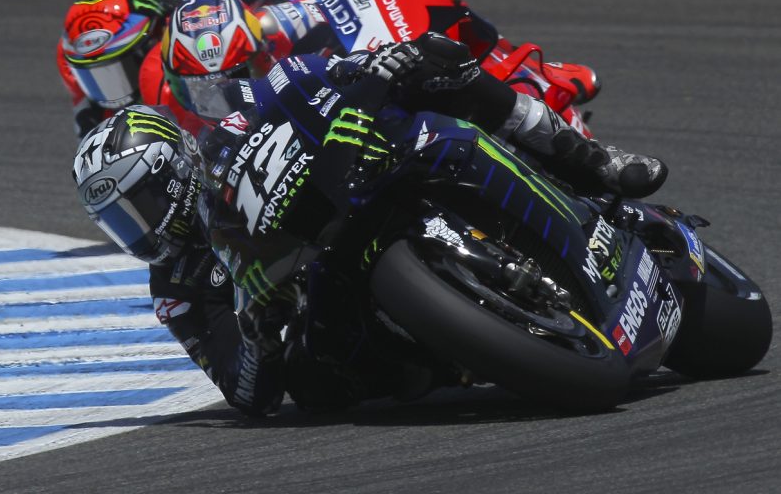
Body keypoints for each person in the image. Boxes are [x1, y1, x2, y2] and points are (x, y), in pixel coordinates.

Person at [72, 33, 666, 415]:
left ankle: (593, 162)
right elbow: (246, 394)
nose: (139, 230)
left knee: (436, 70)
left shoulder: (231, 138)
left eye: (140, 206)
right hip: (338, 321)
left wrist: (367, 70)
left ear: (176, 170)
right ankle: (463, 342)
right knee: (315, 388)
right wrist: (257, 337)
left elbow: (305, 83)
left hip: (346, 193)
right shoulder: (175, 287)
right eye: (119, 221)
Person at [58, 0, 445, 138]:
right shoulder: (92, 101)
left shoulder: (190, 1)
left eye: (114, 73)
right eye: (96, 78)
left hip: (253, 51)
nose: (109, 95)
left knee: (272, 7)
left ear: (149, 39)